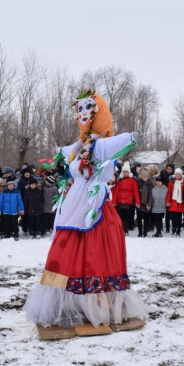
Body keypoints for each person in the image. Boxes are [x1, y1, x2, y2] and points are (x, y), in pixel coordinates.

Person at [23, 90, 147, 329]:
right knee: (66, 247)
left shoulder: (100, 146)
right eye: (79, 109)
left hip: (94, 205)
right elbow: (65, 152)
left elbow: (118, 142)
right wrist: (58, 152)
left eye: (87, 108)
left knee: (94, 250)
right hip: (74, 204)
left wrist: (131, 137)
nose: (82, 113)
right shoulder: (81, 145)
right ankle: (72, 299)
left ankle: (99, 298)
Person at [112, 162, 140, 236]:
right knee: (121, 216)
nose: (125, 173)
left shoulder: (133, 181)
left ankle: (125, 230)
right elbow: (116, 192)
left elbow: (136, 192)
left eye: (126, 172)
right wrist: (114, 202)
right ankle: (123, 230)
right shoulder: (120, 181)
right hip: (120, 200)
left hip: (128, 200)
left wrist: (138, 202)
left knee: (124, 214)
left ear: (129, 172)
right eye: (124, 172)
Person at [166, 168, 184, 237]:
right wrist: (167, 201)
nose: (177, 175)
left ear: (181, 175)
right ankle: (173, 231)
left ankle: (178, 231)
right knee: (173, 218)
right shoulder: (171, 182)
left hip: (180, 202)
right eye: (176, 174)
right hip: (173, 201)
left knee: (179, 218)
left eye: (179, 174)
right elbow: (169, 192)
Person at [136, 170, 153, 238]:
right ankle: (140, 233)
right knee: (139, 219)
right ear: (141, 177)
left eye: (147, 177)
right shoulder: (138, 183)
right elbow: (136, 194)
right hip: (139, 204)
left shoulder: (150, 184)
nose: (146, 178)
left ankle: (145, 233)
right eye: (144, 177)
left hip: (147, 203)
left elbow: (151, 195)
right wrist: (137, 203)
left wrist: (149, 204)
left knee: (146, 219)